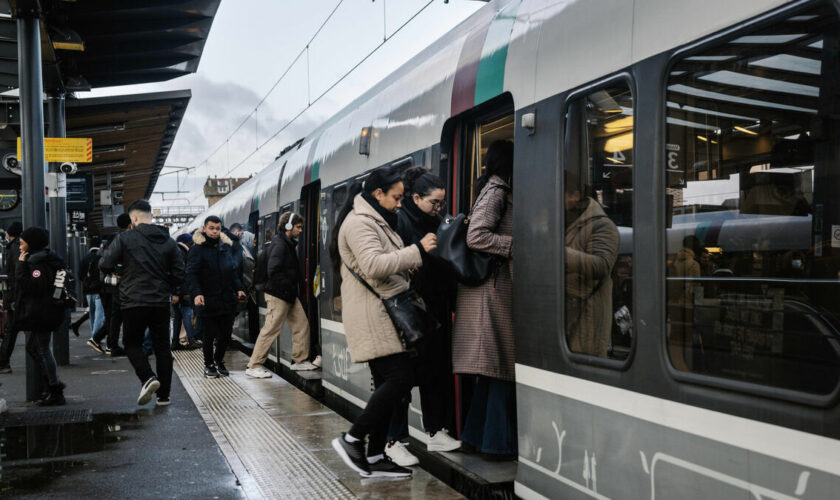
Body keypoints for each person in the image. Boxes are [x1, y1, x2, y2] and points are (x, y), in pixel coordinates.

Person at [330, 165, 437, 478]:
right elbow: (374, 265)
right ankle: (352, 439)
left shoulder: (373, 219)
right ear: (378, 193)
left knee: (394, 384)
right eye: (396, 197)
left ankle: (375, 455)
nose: (400, 203)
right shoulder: (360, 223)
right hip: (372, 313)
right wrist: (416, 251)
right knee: (400, 379)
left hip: (382, 311)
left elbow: (382, 263)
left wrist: (405, 265)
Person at [384, 166, 460, 466]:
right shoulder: (401, 222)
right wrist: (418, 254)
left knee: (435, 372)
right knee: (403, 377)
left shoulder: (437, 221)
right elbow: (395, 263)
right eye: (434, 203)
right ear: (416, 198)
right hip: (410, 310)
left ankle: (434, 430)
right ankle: (394, 438)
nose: (438, 208)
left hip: (435, 306)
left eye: (441, 203)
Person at [452, 140, 517, 458]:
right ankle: (496, 444)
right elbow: (476, 235)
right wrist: (514, 246)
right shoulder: (497, 190)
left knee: (493, 371)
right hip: (492, 292)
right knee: (501, 366)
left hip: (488, 292)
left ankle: (476, 437)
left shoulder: (492, 188)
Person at [100, 200, 185, 406]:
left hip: (133, 301)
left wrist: (122, 270)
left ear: (134, 218)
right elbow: (180, 272)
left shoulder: (125, 238)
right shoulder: (169, 241)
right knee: (163, 348)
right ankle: (164, 396)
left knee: (131, 344)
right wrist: (167, 287)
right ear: (151, 217)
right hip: (160, 303)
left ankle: (148, 377)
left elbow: (104, 263)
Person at [246, 213, 315, 378]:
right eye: (298, 227)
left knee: (301, 325)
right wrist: (287, 287)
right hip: (278, 294)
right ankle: (254, 365)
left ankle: (299, 360)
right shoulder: (280, 245)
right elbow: (273, 270)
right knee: (271, 328)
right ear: (288, 227)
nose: (300, 230)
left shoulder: (287, 243)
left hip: (288, 294)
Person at [564, 169, 619, 358]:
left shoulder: (602, 225)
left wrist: (560, 255)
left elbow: (602, 265)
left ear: (575, 195)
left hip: (587, 324)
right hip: (567, 323)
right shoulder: (566, 222)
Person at [186, 215, 246, 378]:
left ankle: (219, 360)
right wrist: (197, 293)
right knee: (209, 333)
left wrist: (239, 289)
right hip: (207, 299)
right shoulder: (197, 249)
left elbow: (232, 271)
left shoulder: (225, 247)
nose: (214, 231)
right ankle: (209, 364)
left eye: (218, 228)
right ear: (204, 229)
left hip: (226, 298)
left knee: (225, 334)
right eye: (211, 228)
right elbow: (192, 274)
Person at [15, 227, 68, 405]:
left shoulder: (37, 263)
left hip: (42, 312)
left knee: (43, 350)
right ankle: (52, 385)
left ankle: (55, 389)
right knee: (34, 348)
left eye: (23, 241)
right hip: (47, 311)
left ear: (32, 243)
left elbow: (32, 287)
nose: (20, 244)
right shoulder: (48, 258)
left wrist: (21, 266)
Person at [0, 221, 23, 373]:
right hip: (17, 296)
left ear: (9, 233)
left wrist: (9, 299)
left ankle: (3, 363)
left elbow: (14, 276)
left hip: (15, 296)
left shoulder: (14, 249)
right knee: (11, 330)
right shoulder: (16, 248)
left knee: (10, 330)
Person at [171, 233, 200, 350]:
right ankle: (191, 340)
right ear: (186, 242)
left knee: (178, 317)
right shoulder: (182, 253)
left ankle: (174, 342)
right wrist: (182, 293)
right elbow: (181, 274)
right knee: (187, 314)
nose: (192, 244)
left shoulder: (177, 251)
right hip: (182, 291)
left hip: (178, 291)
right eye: (191, 242)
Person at [79, 237, 107, 351]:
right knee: (100, 315)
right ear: (100, 245)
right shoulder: (101, 257)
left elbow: (80, 275)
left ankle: (93, 335)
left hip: (88, 291)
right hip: (99, 290)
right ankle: (95, 338)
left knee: (92, 314)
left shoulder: (84, 258)